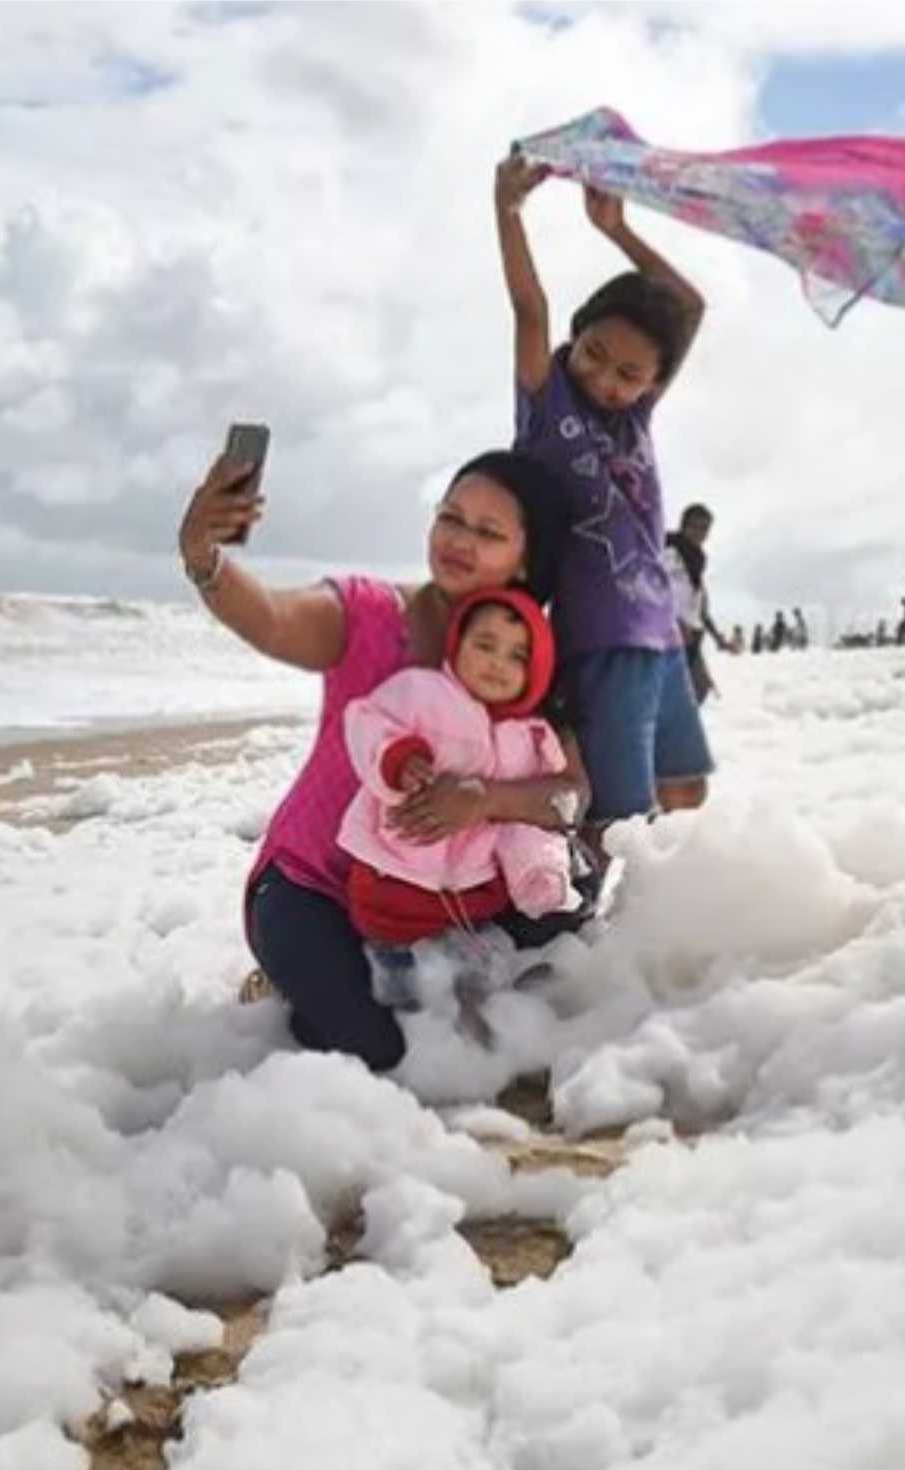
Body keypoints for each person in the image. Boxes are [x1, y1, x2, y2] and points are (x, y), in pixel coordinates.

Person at [182, 446, 584, 1074]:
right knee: (381, 1051)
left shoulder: (526, 660)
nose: (459, 540)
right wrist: (204, 557)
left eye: (488, 532)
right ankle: (293, 980)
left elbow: (570, 796)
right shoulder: (372, 615)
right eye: (450, 518)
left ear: (525, 557)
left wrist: (484, 799)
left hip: (435, 902)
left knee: (542, 966)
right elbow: (271, 617)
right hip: (310, 887)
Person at [496, 153, 711, 833]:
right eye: (594, 353)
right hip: (598, 641)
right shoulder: (547, 404)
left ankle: (667, 910)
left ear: (650, 381)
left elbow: (691, 306)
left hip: (663, 639)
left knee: (685, 789)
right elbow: (530, 308)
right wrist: (507, 211)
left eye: (628, 373)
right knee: (618, 821)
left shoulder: (636, 415)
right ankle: (600, 926)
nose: (605, 380)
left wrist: (616, 228)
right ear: (576, 337)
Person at [339, 587, 572, 1008]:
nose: (498, 663)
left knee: (484, 958)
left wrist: (539, 870)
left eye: (517, 656)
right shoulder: (421, 692)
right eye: (485, 645)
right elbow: (364, 721)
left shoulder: (530, 734)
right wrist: (398, 759)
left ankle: (495, 1006)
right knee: (398, 986)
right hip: (395, 884)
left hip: (469, 898)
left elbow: (538, 815)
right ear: (457, 643)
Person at [663, 503, 727, 701]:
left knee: (699, 689)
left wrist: (718, 638)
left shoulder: (698, 560)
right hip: (668, 633)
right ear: (684, 526)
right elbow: (657, 589)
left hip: (691, 635)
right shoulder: (669, 550)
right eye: (695, 526)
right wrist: (676, 622)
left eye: (705, 528)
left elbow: (699, 606)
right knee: (670, 694)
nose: (700, 533)